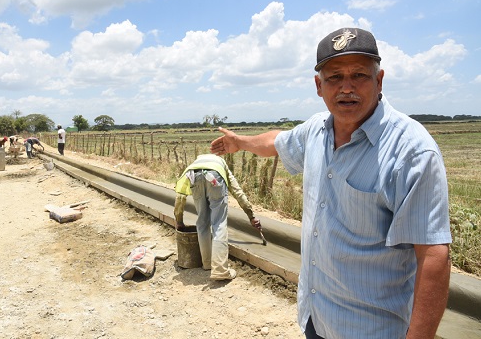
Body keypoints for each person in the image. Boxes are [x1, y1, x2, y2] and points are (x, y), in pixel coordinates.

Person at [210, 28, 451, 338]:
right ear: (318, 86)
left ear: (379, 81)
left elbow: (433, 255)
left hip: (371, 330)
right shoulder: (316, 131)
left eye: (359, 76)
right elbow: (276, 142)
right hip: (316, 317)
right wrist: (240, 142)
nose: (346, 88)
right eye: (335, 77)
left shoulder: (412, 151)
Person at [173, 153, 262, 281]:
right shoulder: (221, 164)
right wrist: (251, 216)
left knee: (202, 223)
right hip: (215, 178)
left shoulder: (194, 166)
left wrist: (179, 220)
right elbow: (237, 191)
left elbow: (180, 196)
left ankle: (208, 264)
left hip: (196, 179)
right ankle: (220, 270)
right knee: (219, 223)